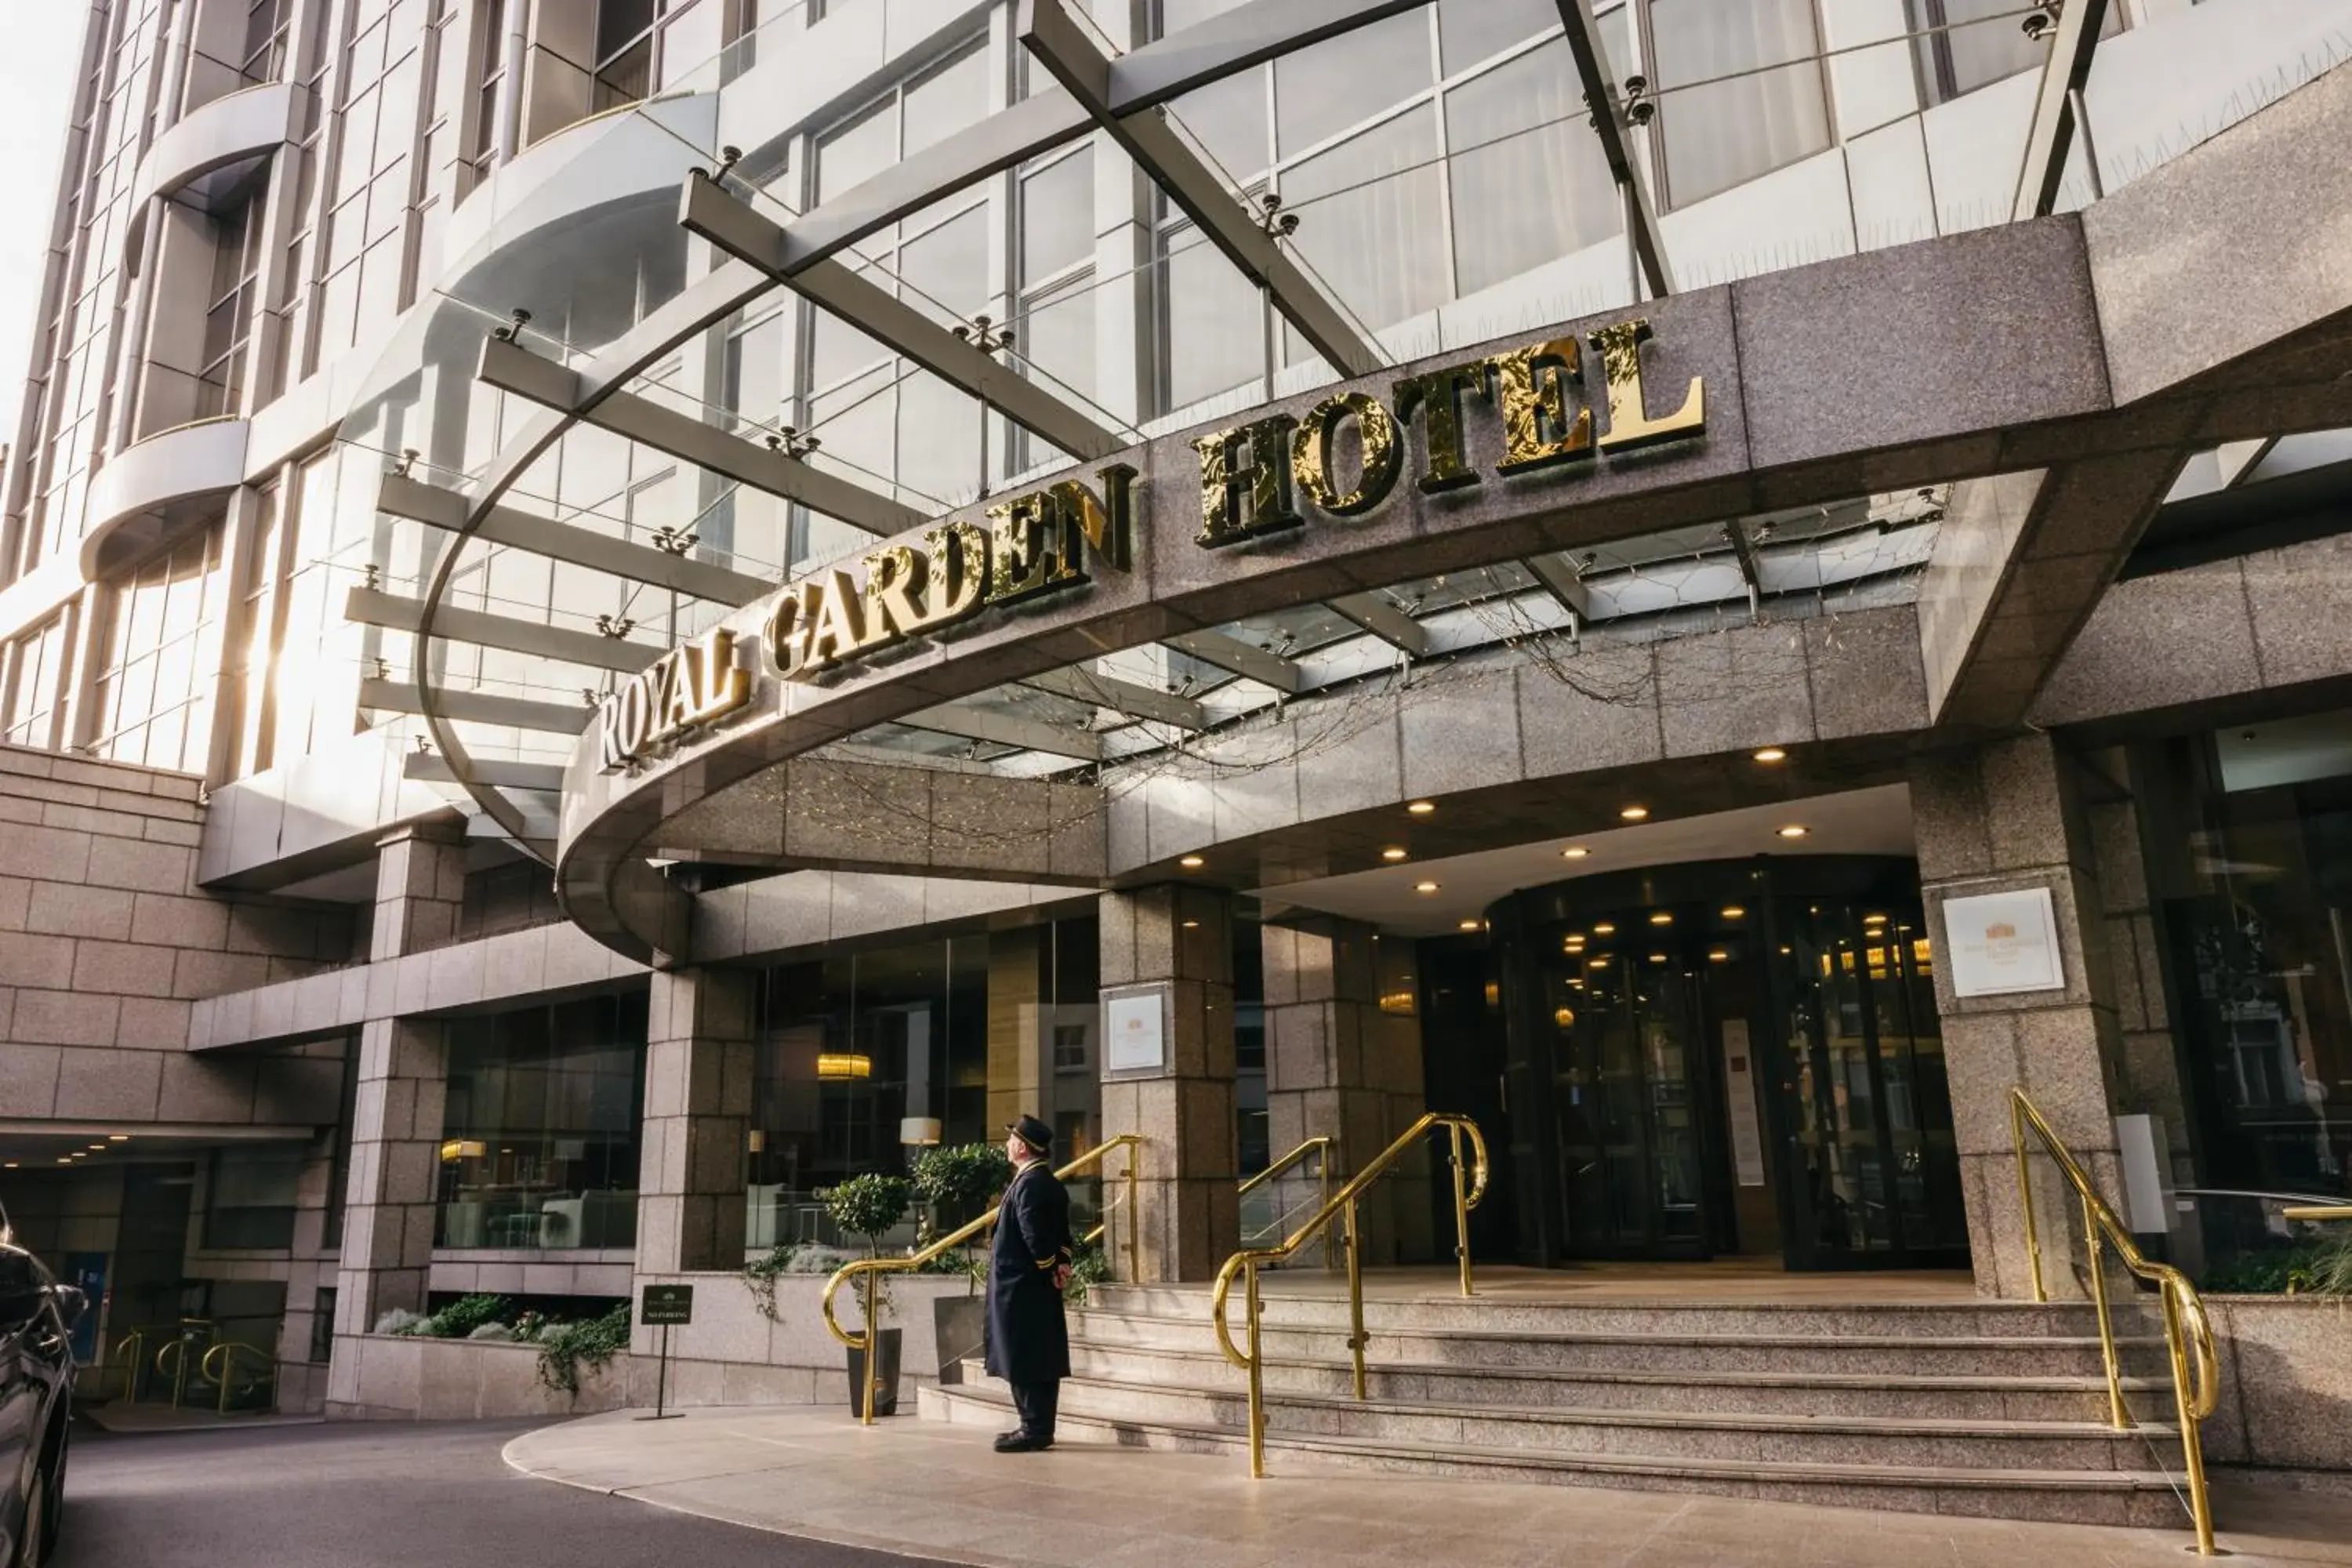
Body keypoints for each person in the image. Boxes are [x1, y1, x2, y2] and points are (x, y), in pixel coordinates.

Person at [985, 1114, 1072, 1453]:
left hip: (1022, 1287)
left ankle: (1033, 1428)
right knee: (1038, 1355)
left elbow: (1035, 1235)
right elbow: (1061, 1234)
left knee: (1023, 1356)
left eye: (1010, 1140)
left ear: (1021, 1146)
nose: (1007, 1145)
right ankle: (1036, 1425)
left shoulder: (1030, 1183)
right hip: (1034, 1285)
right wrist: (1060, 1264)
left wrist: (1048, 1266)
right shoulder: (1044, 1180)